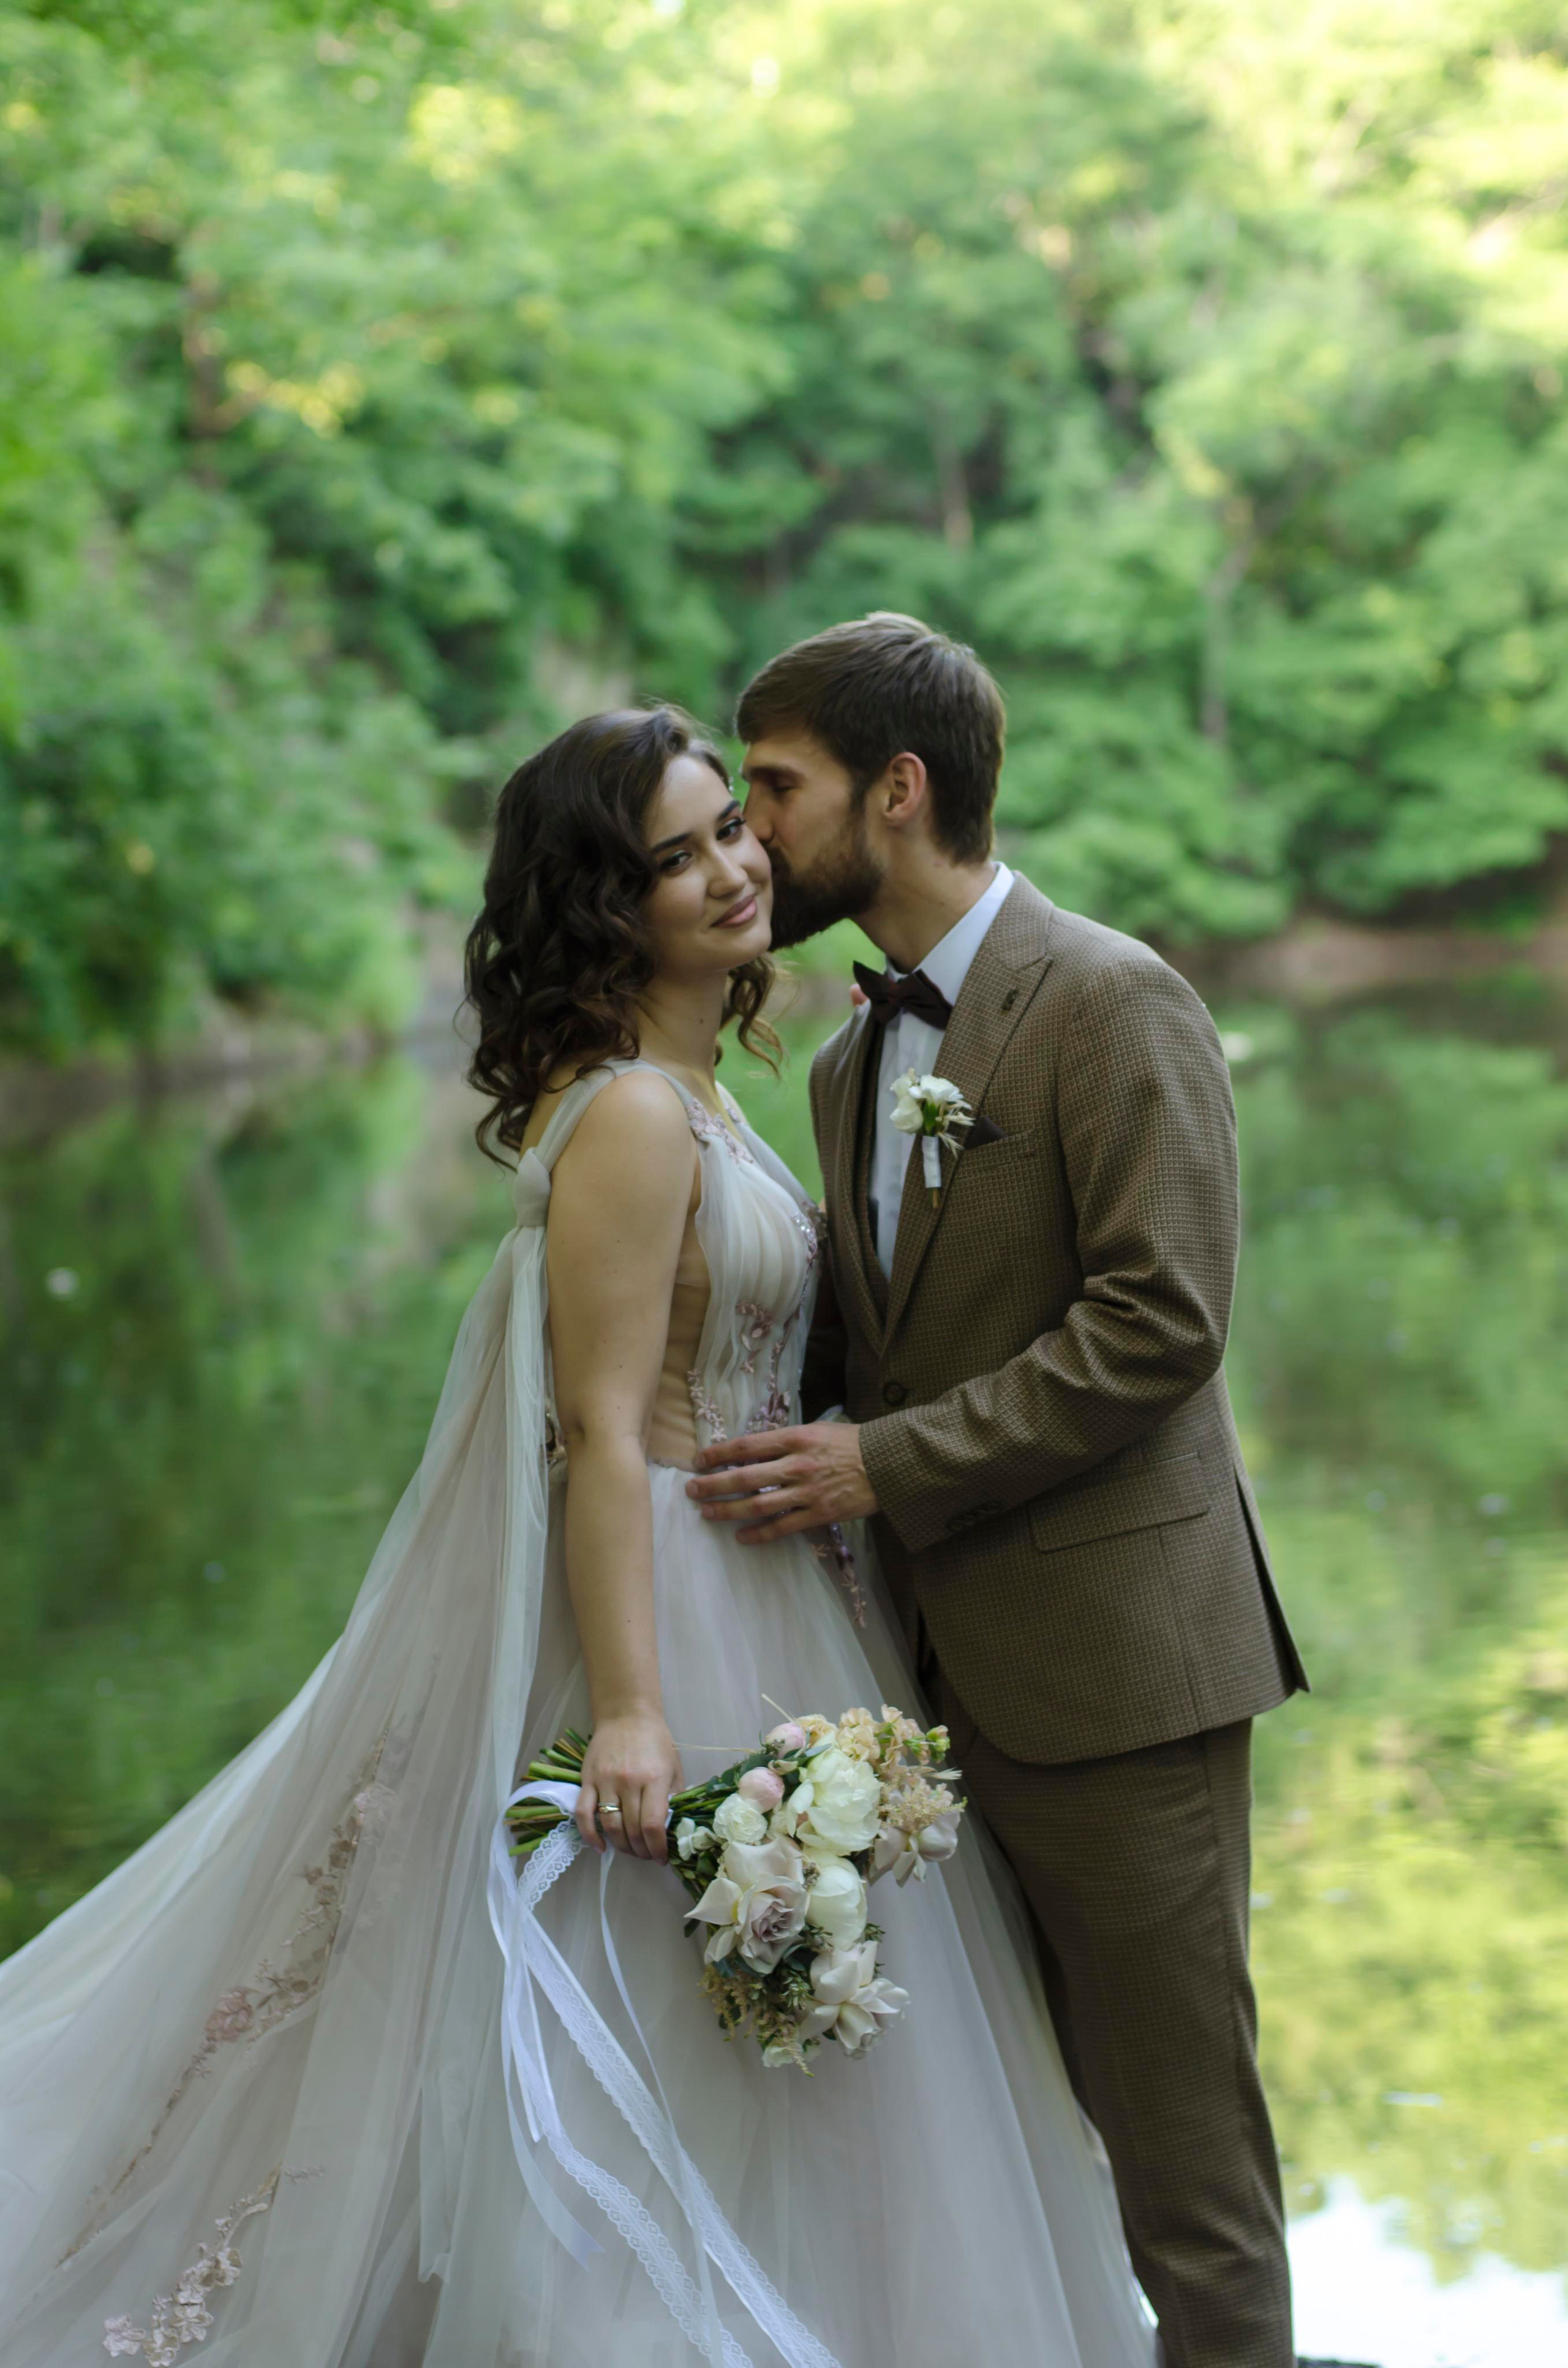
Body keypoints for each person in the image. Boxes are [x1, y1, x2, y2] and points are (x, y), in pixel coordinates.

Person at [0, 706, 1156, 2367]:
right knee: (673, 2031)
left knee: (803, 2038)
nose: (732, 870)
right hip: (679, 1602)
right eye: (674, 858)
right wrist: (629, 1709)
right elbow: (601, 1429)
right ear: (607, 906)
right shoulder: (628, 1115)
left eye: (731, 828)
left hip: (777, 1584)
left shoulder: (700, 1092)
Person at [686, 615, 1313, 2368]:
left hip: (1122, 1675)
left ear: (896, 790)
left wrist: (877, 1467)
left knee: (1184, 2167)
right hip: (918, 1697)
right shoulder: (842, 1063)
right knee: (1011, 2155)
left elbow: (1160, 1324)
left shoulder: (1115, 999)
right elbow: (866, 1349)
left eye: (776, 789)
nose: (752, 834)